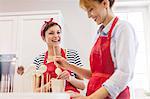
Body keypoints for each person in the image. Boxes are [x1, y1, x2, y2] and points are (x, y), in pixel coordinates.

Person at [54, 0, 138, 99]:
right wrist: (68, 66)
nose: (89, 16)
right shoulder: (100, 33)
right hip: (95, 94)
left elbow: (123, 74)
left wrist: (91, 98)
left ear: (105, 3)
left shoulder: (123, 29)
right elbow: (96, 74)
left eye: (91, 9)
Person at [32, 18, 85, 94]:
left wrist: (69, 78)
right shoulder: (39, 60)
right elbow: (35, 91)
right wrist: (50, 85)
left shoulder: (72, 54)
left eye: (58, 32)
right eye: (51, 33)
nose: (56, 36)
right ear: (43, 38)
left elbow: (83, 86)